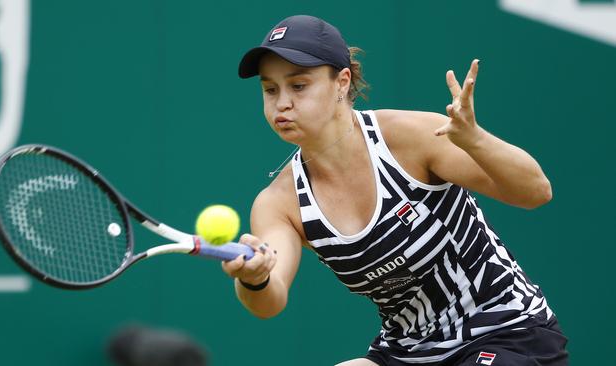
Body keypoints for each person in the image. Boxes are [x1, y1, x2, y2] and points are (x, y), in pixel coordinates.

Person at [223, 14, 568, 366]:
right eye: (270, 89)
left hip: (507, 332)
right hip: (410, 352)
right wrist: (255, 278)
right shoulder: (279, 203)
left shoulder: (411, 138)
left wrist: (476, 140)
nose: (282, 103)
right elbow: (270, 297)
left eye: (298, 86)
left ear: (342, 82)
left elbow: (536, 191)